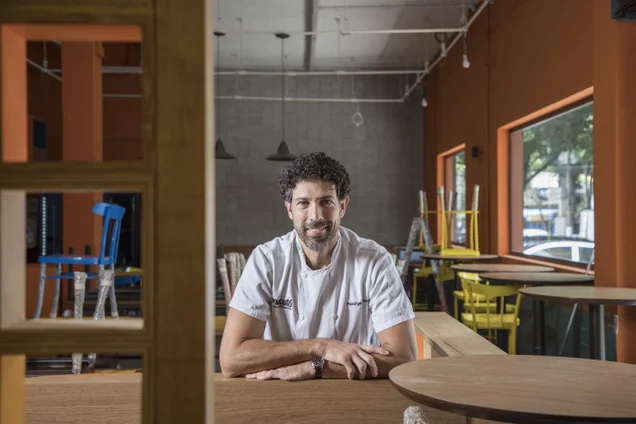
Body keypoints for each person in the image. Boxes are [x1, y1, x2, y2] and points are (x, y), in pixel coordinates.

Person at [219, 152, 417, 381]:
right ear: (289, 209)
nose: (316, 215)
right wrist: (320, 346)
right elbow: (231, 359)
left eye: (326, 202)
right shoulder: (267, 260)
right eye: (303, 203)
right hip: (278, 391)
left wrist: (316, 367)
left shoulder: (374, 260)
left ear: (342, 206)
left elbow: (405, 358)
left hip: (350, 391)